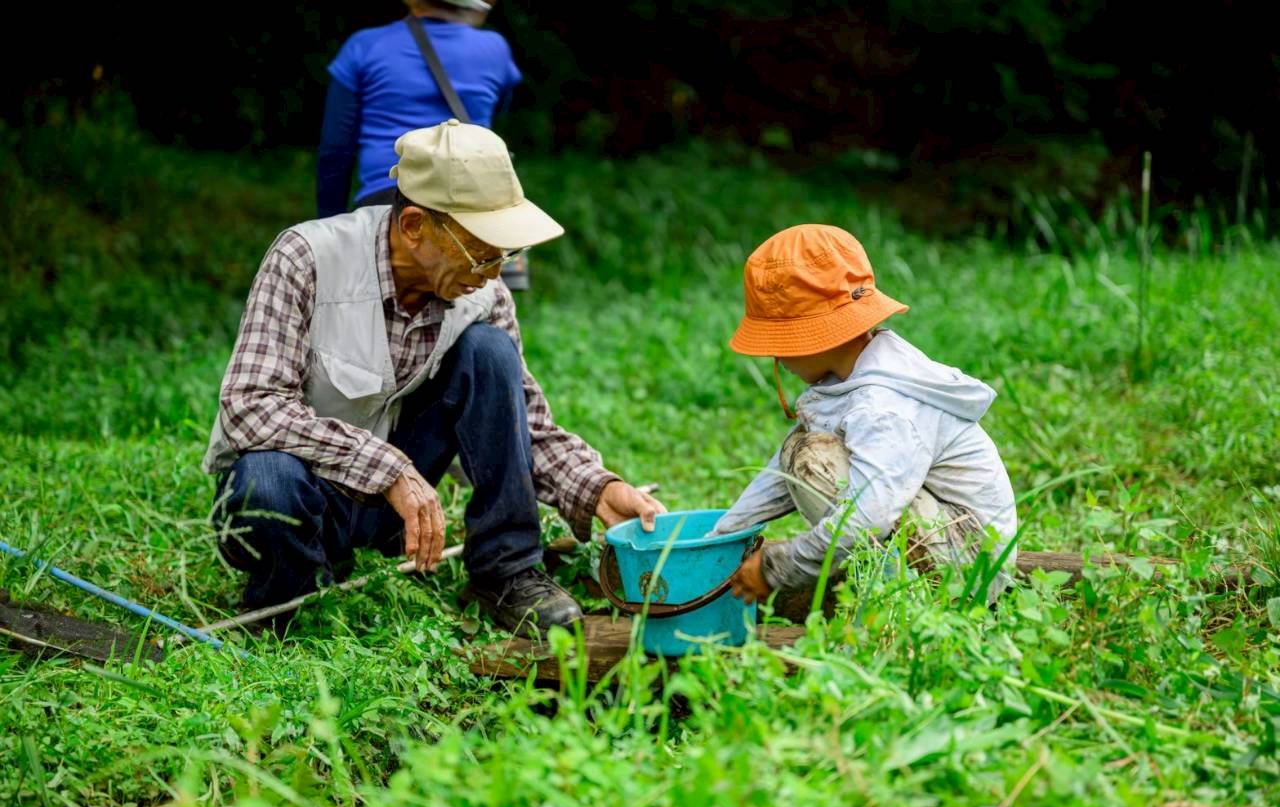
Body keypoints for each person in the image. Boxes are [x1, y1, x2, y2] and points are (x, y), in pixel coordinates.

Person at [205, 119, 664, 632]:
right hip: (306, 490)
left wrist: (598, 490)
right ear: (415, 226)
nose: (493, 272)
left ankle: (506, 571)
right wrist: (389, 469)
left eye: (504, 254)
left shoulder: (484, 296)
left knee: (488, 353)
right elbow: (251, 405)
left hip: (391, 505)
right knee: (265, 482)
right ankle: (288, 593)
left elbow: (524, 425)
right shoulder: (306, 258)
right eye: (481, 250)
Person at [712, 224, 1018, 611]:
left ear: (819, 336)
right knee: (799, 446)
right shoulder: (853, 375)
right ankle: (881, 579)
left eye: (782, 342)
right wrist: (719, 535)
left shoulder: (884, 407)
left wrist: (777, 568)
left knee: (813, 459)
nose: (778, 359)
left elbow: (867, 518)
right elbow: (780, 476)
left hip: (970, 568)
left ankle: (905, 604)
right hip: (932, 530)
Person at [316, 0, 521, 217]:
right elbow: (499, 114)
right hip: (472, 203)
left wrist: (330, 222)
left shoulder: (366, 46)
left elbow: (335, 149)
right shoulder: (496, 48)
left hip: (386, 201)